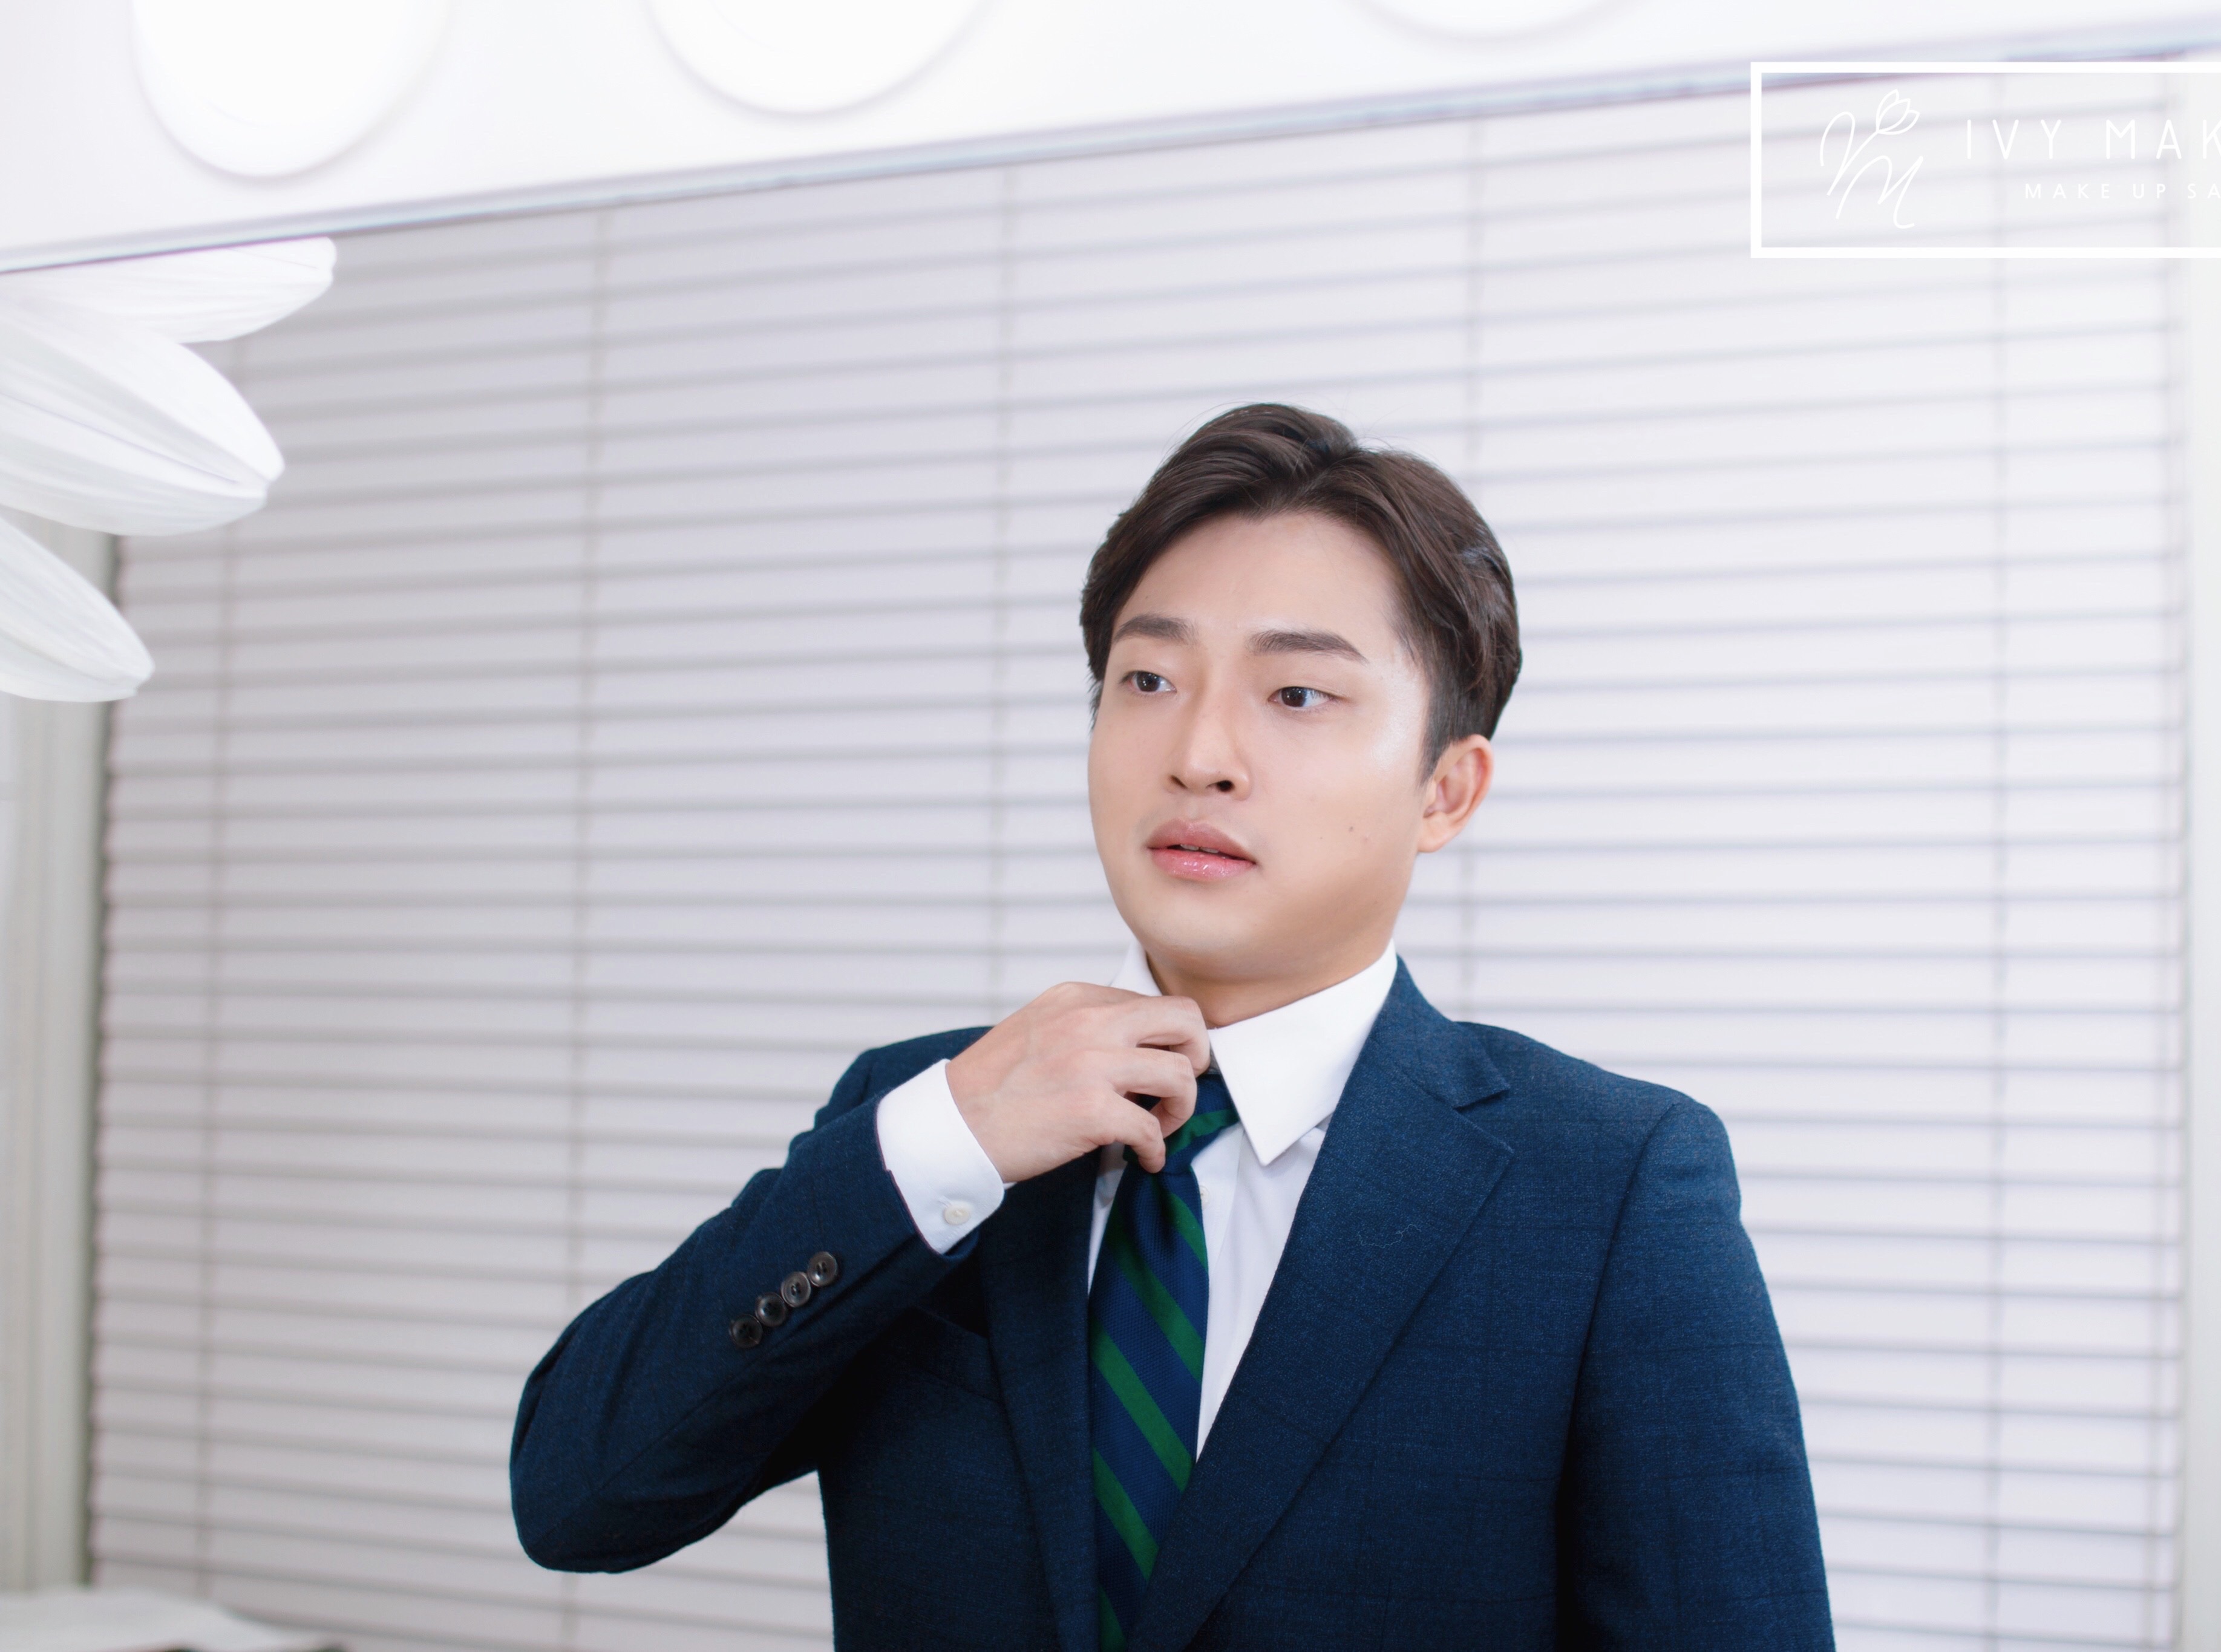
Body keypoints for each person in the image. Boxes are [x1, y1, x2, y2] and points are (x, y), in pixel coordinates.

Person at [509, 403, 1833, 1650]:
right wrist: (940, 1145)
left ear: (1445, 789)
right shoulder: (927, 1120)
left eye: (1295, 695)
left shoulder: (1605, 1186)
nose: (1197, 753)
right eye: (1146, 678)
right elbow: (579, 1499)